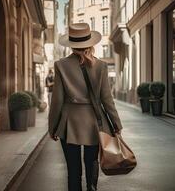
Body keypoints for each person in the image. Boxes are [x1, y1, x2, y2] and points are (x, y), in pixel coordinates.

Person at [48, 23, 123, 191]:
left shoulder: (61, 65)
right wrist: (116, 125)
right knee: (92, 163)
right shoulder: (101, 66)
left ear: (72, 44)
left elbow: (57, 100)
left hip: (69, 123)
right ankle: (92, 188)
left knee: (73, 171)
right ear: (90, 43)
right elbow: (107, 100)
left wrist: (52, 126)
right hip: (94, 122)